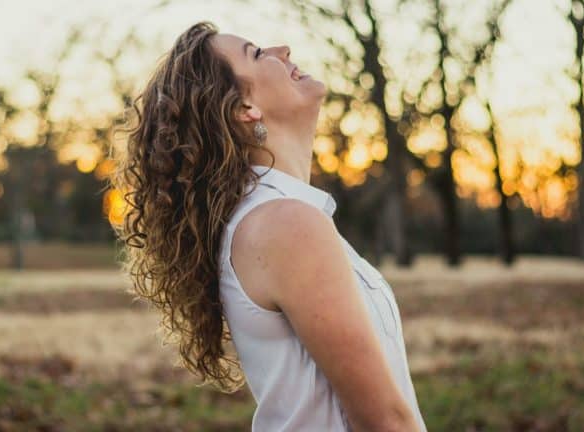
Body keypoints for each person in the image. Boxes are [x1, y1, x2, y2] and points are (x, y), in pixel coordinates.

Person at [108, 20, 427, 431]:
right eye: (258, 54)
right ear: (245, 109)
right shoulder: (284, 223)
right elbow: (385, 420)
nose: (283, 49)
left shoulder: (274, 216)